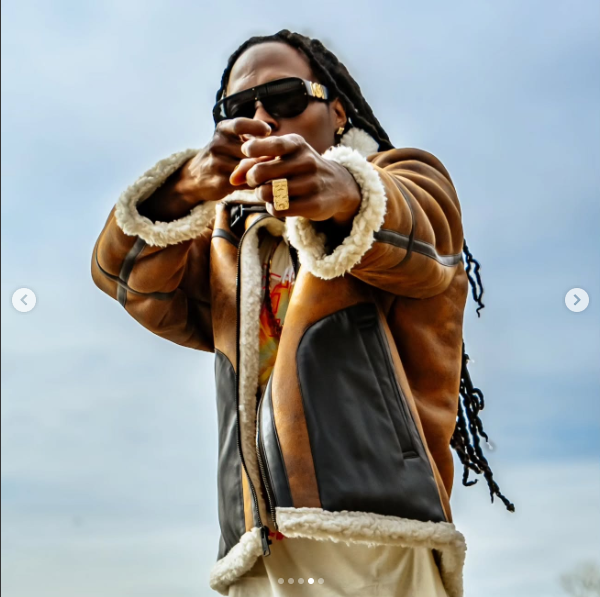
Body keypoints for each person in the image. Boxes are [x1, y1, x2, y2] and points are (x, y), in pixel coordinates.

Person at [91, 29, 513, 597]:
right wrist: (185, 188)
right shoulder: (227, 246)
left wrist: (342, 190)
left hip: (380, 539)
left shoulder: (403, 180)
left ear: (337, 113)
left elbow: (426, 235)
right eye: (239, 109)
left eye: (286, 97)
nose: (263, 118)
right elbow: (120, 275)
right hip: (259, 551)